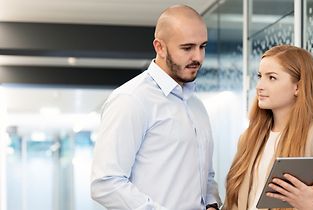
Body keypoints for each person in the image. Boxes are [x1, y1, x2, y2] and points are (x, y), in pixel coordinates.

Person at [90, 4, 221, 210]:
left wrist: (212, 203)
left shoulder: (197, 106)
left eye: (202, 46)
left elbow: (205, 176)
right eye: (187, 48)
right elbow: (106, 183)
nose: (198, 57)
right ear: (159, 47)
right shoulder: (131, 99)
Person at [224, 45, 313, 210]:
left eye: (271, 78)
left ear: (298, 87)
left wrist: (311, 206)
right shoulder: (249, 137)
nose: (259, 86)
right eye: (260, 76)